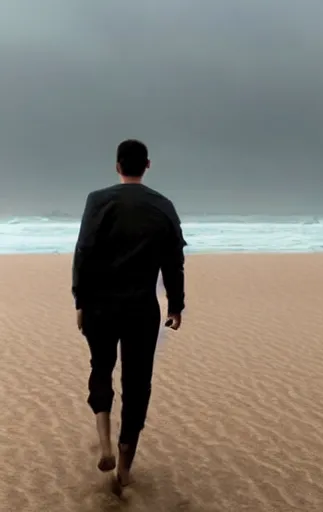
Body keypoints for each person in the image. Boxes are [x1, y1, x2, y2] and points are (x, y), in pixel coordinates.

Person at [72, 139, 186, 492]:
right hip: (141, 308)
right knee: (138, 384)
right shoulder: (162, 205)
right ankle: (123, 466)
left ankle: (104, 441)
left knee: (101, 367)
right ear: (147, 165)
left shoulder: (98, 200)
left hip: (100, 305)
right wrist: (176, 305)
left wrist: (79, 299)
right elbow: (173, 261)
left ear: (117, 165)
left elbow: (84, 251)